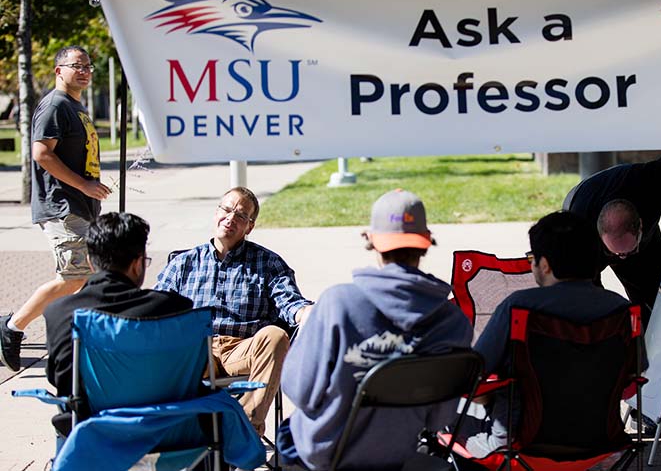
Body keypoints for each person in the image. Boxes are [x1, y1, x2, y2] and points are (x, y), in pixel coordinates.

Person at [278, 189, 473, 470]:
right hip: (400, 457)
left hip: (324, 457)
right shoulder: (453, 321)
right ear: (426, 243)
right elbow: (439, 418)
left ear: (370, 241)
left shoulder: (338, 303)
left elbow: (300, 391)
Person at [464, 210, 630, 457]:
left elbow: (475, 371)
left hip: (525, 442)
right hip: (602, 438)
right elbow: (634, 373)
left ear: (545, 264)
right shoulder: (621, 309)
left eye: (533, 257)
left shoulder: (519, 307)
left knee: (451, 421)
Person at [155, 186, 312, 436]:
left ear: (249, 226)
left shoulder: (267, 262)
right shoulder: (183, 263)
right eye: (226, 210)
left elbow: (289, 301)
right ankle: (196, 437)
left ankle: (244, 429)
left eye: (240, 215)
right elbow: (157, 308)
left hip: (243, 348)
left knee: (275, 335)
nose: (230, 218)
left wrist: (305, 313)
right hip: (198, 349)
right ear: (216, 212)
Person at [0, 46, 111, 372]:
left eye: (88, 66)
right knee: (75, 277)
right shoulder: (54, 106)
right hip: (62, 206)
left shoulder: (76, 107)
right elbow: (42, 154)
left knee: (89, 276)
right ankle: (12, 326)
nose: (85, 71)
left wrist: (90, 189)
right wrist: (84, 185)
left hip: (82, 205)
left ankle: (82, 342)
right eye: (77, 66)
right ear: (58, 69)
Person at [43, 212, 192, 436]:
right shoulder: (174, 309)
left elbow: (58, 377)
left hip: (89, 433)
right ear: (137, 264)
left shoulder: (59, 313)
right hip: (166, 431)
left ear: (91, 263)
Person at [562, 150, 661, 317]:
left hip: (638, 220)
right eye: (615, 253)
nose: (622, 258)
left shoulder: (652, 184)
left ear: (641, 225)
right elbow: (585, 295)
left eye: (629, 251)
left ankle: (649, 338)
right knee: (591, 306)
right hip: (582, 202)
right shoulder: (579, 233)